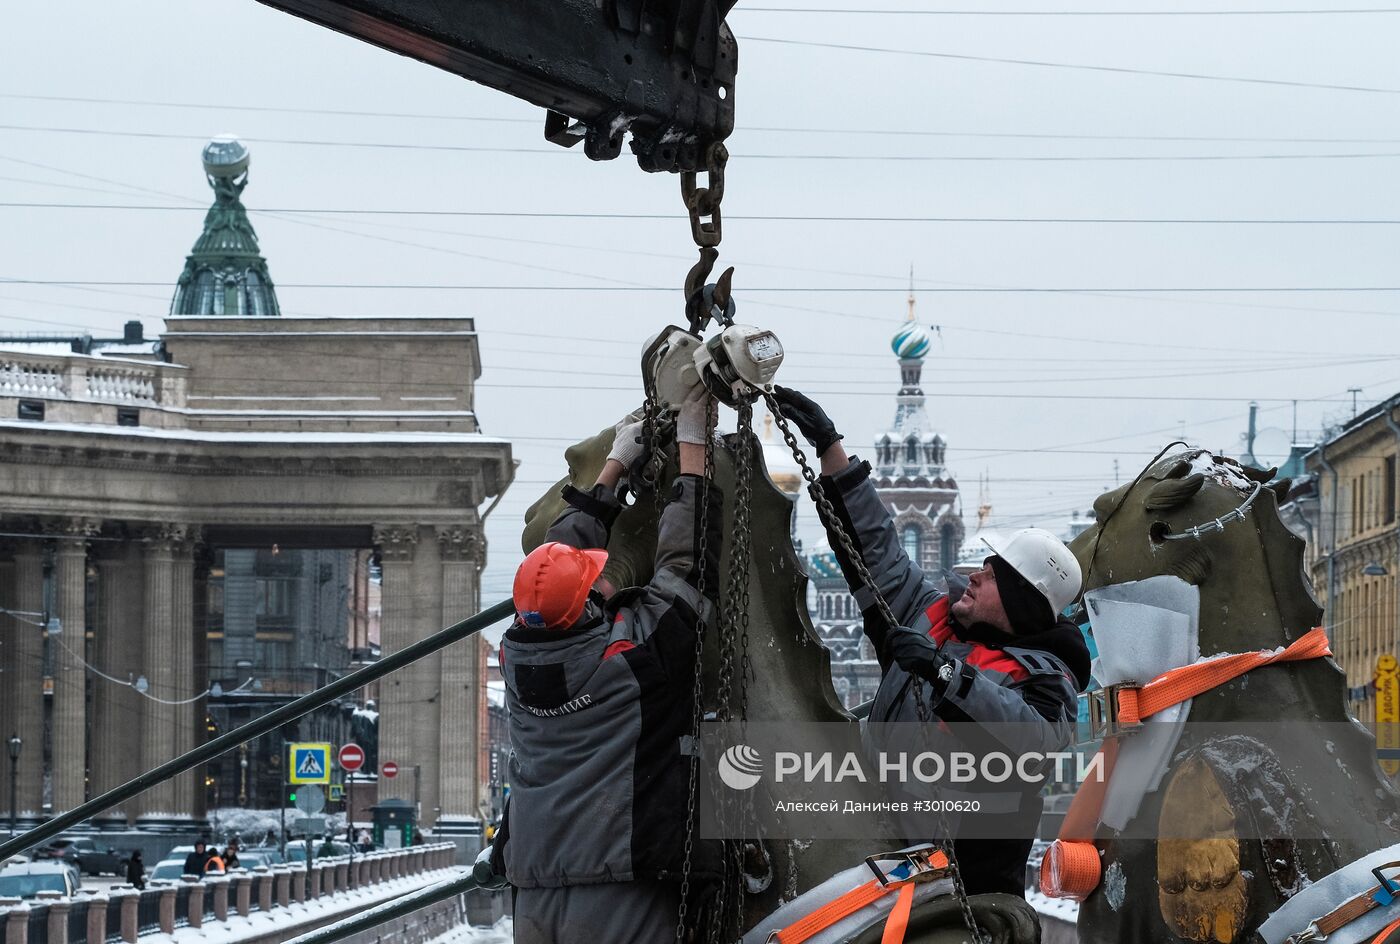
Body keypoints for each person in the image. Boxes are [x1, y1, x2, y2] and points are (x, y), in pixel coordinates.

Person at [772, 385, 1091, 898]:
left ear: (1016, 603)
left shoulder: (1046, 677)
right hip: (877, 851)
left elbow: (1035, 739)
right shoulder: (929, 616)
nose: (973, 577)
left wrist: (946, 673)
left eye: (991, 574)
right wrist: (831, 450)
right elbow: (876, 548)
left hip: (969, 887)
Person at [494, 386, 722, 943]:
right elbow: (688, 565)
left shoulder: (515, 657)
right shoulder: (630, 662)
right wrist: (693, 445)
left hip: (535, 884)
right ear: (590, 596)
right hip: (618, 881)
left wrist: (615, 466)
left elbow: (557, 563)